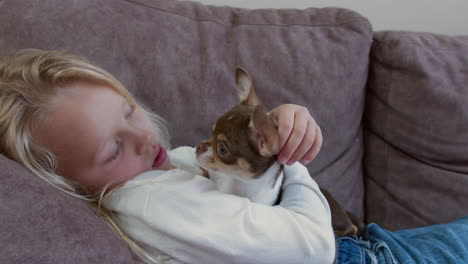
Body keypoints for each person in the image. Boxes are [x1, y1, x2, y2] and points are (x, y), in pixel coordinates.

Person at [0, 49, 466, 264]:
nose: (142, 137)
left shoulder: (163, 173)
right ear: (68, 185)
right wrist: (286, 156)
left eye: (129, 110)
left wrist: (270, 126)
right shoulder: (151, 203)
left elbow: (241, 189)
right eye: (112, 148)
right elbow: (315, 245)